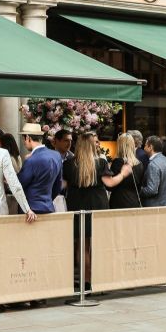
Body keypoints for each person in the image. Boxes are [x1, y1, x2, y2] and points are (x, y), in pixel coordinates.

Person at [63, 134, 109, 289]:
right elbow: (109, 184)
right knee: (96, 245)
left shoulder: (69, 164)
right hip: (98, 206)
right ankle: (97, 280)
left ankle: (85, 282)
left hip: (77, 206)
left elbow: (63, 185)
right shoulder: (101, 163)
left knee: (81, 246)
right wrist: (123, 173)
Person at [16, 123, 62, 214]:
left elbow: (19, 185)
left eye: (23, 139)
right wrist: (47, 200)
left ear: (28, 138)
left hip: (30, 211)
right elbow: (58, 186)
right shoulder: (56, 155)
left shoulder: (31, 160)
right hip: (48, 207)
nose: (24, 143)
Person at [104, 133, 144, 209]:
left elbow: (110, 187)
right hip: (134, 201)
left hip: (119, 202)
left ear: (120, 146)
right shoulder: (139, 164)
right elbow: (140, 186)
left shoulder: (117, 162)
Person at [140, 136, 166, 206]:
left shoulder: (153, 164)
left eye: (145, 145)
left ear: (150, 147)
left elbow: (152, 190)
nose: (144, 148)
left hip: (156, 208)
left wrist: (138, 190)